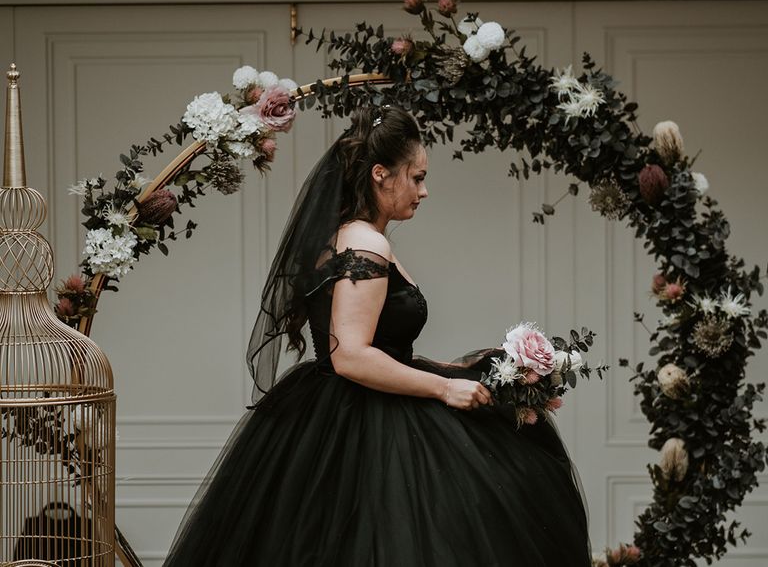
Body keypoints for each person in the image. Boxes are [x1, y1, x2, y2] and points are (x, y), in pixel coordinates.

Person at [164, 105, 592, 566]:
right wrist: (446, 387)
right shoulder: (367, 242)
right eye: (417, 177)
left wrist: (476, 369)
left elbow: (385, 350)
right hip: (358, 422)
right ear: (381, 174)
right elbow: (349, 355)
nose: (424, 191)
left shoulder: (349, 237)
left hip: (347, 410)